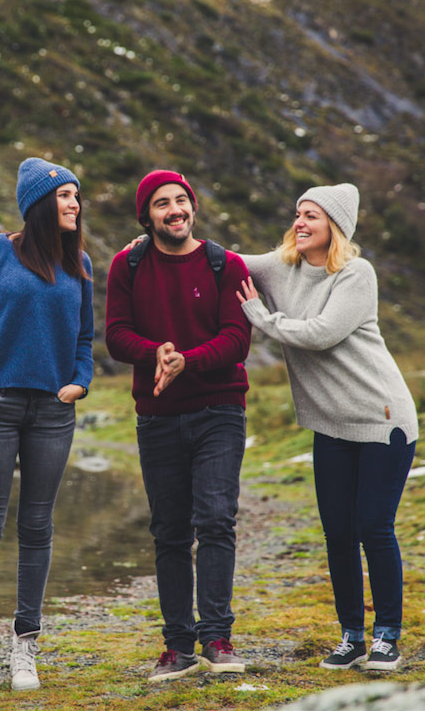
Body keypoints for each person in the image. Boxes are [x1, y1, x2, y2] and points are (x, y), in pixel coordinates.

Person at [236, 183, 418, 672]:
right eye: (297, 213)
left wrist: (261, 317)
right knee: (337, 533)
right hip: (331, 425)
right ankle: (351, 637)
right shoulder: (282, 265)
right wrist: (151, 246)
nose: (300, 222)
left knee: (373, 528)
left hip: (382, 421)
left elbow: (320, 333)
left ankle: (386, 638)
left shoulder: (356, 274)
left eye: (312, 216)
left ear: (333, 226)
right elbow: (226, 260)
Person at [0, 157, 94, 691]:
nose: (75, 204)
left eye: (77, 196)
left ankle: (25, 647)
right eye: (64, 196)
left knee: (36, 527)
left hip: (54, 413)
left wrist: (81, 380)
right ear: (38, 204)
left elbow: (84, 337)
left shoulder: (81, 265)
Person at [105, 169, 252, 682]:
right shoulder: (128, 265)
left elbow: (238, 339)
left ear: (193, 206)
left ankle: (217, 639)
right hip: (158, 418)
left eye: (182, 200)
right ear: (146, 216)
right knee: (169, 532)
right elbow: (116, 335)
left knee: (215, 521)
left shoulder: (224, 265)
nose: (175, 209)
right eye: (162, 203)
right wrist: (156, 354)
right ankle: (178, 648)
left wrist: (187, 360)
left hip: (220, 411)